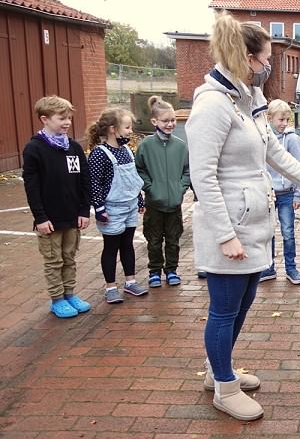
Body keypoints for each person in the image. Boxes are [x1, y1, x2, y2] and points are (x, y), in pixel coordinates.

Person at [186, 11, 300, 421]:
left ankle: (219, 369)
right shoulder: (212, 105)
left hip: (255, 219)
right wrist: (224, 236)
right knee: (224, 307)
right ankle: (224, 386)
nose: (268, 66)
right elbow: (202, 177)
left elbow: (275, 153)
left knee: (246, 299)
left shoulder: (249, 99)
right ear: (245, 57)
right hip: (229, 224)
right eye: (264, 59)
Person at [22, 96, 92, 318]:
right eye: (62, 118)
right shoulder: (34, 148)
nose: (67, 122)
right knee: (54, 260)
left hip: (72, 216)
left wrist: (83, 210)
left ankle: (70, 293)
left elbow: (84, 181)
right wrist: (40, 218)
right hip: (49, 220)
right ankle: (57, 299)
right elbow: (32, 187)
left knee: (69, 257)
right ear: (44, 119)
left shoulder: (73, 147)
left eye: (69, 118)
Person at [88, 108, 149, 304]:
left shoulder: (127, 151)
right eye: (127, 127)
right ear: (113, 129)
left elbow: (133, 179)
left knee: (127, 244)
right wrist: (99, 208)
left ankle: (130, 282)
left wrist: (139, 199)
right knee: (111, 247)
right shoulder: (100, 154)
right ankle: (111, 287)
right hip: (112, 208)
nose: (130, 131)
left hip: (130, 205)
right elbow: (94, 183)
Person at [135, 95, 190, 288]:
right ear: (154, 121)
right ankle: (154, 271)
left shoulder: (181, 146)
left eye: (173, 120)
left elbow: (187, 170)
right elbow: (139, 169)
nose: (170, 124)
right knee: (154, 239)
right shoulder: (145, 146)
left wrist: (181, 187)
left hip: (174, 203)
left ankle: (172, 270)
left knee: (173, 239)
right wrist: (149, 187)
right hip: (154, 203)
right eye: (165, 121)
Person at [260, 99, 300, 285]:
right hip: (268, 194)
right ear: (269, 118)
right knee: (268, 232)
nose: (284, 123)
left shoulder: (293, 139)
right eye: (281, 119)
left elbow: (299, 167)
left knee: (288, 231)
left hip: (287, 193)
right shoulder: (263, 138)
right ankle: (268, 267)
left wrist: (298, 193)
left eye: (287, 120)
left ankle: (291, 268)